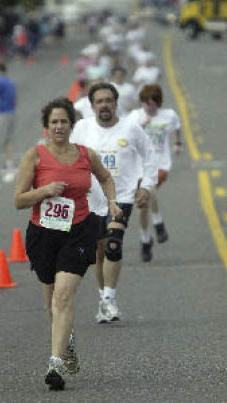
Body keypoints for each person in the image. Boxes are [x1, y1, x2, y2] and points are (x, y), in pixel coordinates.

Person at [14, 97, 122, 391]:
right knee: (52, 302)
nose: (60, 126)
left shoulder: (86, 155)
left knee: (63, 296)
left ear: (72, 125)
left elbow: (106, 178)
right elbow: (18, 200)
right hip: (43, 234)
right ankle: (67, 344)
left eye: (64, 121)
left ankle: (55, 364)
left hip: (79, 231)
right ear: (46, 127)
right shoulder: (35, 156)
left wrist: (112, 201)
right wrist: (45, 190)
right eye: (54, 122)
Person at [70, 82, 157, 323]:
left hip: (122, 197)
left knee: (113, 245)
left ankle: (109, 299)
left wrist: (147, 186)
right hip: (90, 200)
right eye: (99, 101)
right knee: (99, 252)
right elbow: (67, 157)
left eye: (109, 100)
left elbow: (150, 156)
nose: (104, 105)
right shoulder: (81, 129)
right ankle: (103, 299)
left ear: (116, 103)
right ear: (92, 105)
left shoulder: (131, 129)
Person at [127, 84, 182, 261]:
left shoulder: (169, 115)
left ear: (158, 103)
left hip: (161, 163)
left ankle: (158, 223)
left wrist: (178, 143)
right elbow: (124, 136)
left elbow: (177, 127)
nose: (150, 108)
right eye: (146, 104)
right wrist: (140, 127)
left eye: (153, 104)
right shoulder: (135, 117)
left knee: (149, 187)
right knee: (143, 205)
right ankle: (145, 240)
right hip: (139, 166)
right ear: (142, 103)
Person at [0, 63, 17, 170]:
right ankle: (9, 160)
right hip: (12, 112)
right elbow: (15, 99)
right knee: (8, 138)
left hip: (2, 111)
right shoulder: (11, 82)